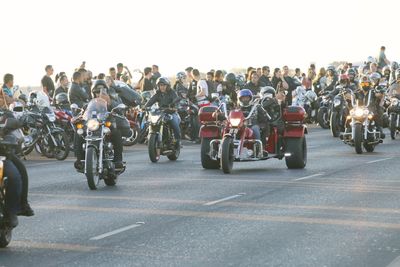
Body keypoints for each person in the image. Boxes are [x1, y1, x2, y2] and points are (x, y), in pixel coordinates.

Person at [74, 79, 124, 171]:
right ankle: (79, 159)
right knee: (78, 133)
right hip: (92, 127)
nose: (99, 94)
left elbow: (119, 109)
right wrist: (78, 117)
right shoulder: (89, 104)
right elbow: (82, 112)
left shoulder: (110, 102)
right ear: (93, 93)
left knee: (117, 133)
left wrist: (114, 107)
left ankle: (118, 160)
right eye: (97, 92)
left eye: (102, 91)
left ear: (106, 91)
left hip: (106, 127)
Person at [144, 77, 181, 147]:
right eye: (160, 85)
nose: (162, 87)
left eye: (164, 85)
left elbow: (176, 100)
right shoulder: (157, 94)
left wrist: (175, 107)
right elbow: (151, 101)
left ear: (167, 86)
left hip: (171, 112)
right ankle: (149, 137)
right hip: (160, 112)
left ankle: (177, 140)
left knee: (174, 124)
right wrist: (145, 106)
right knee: (150, 122)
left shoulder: (172, 93)